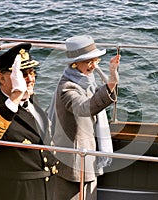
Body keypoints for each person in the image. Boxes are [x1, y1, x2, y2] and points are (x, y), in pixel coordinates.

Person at [0, 43, 59, 200]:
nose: (30, 79)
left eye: (32, 72)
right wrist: (16, 95)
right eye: (22, 74)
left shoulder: (31, 101)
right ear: (2, 78)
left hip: (45, 187)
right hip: (16, 192)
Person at [47, 35, 120, 200]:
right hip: (73, 162)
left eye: (96, 60)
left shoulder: (85, 80)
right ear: (74, 64)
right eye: (89, 61)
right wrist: (111, 82)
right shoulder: (67, 88)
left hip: (86, 155)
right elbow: (85, 108)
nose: (94, 66)